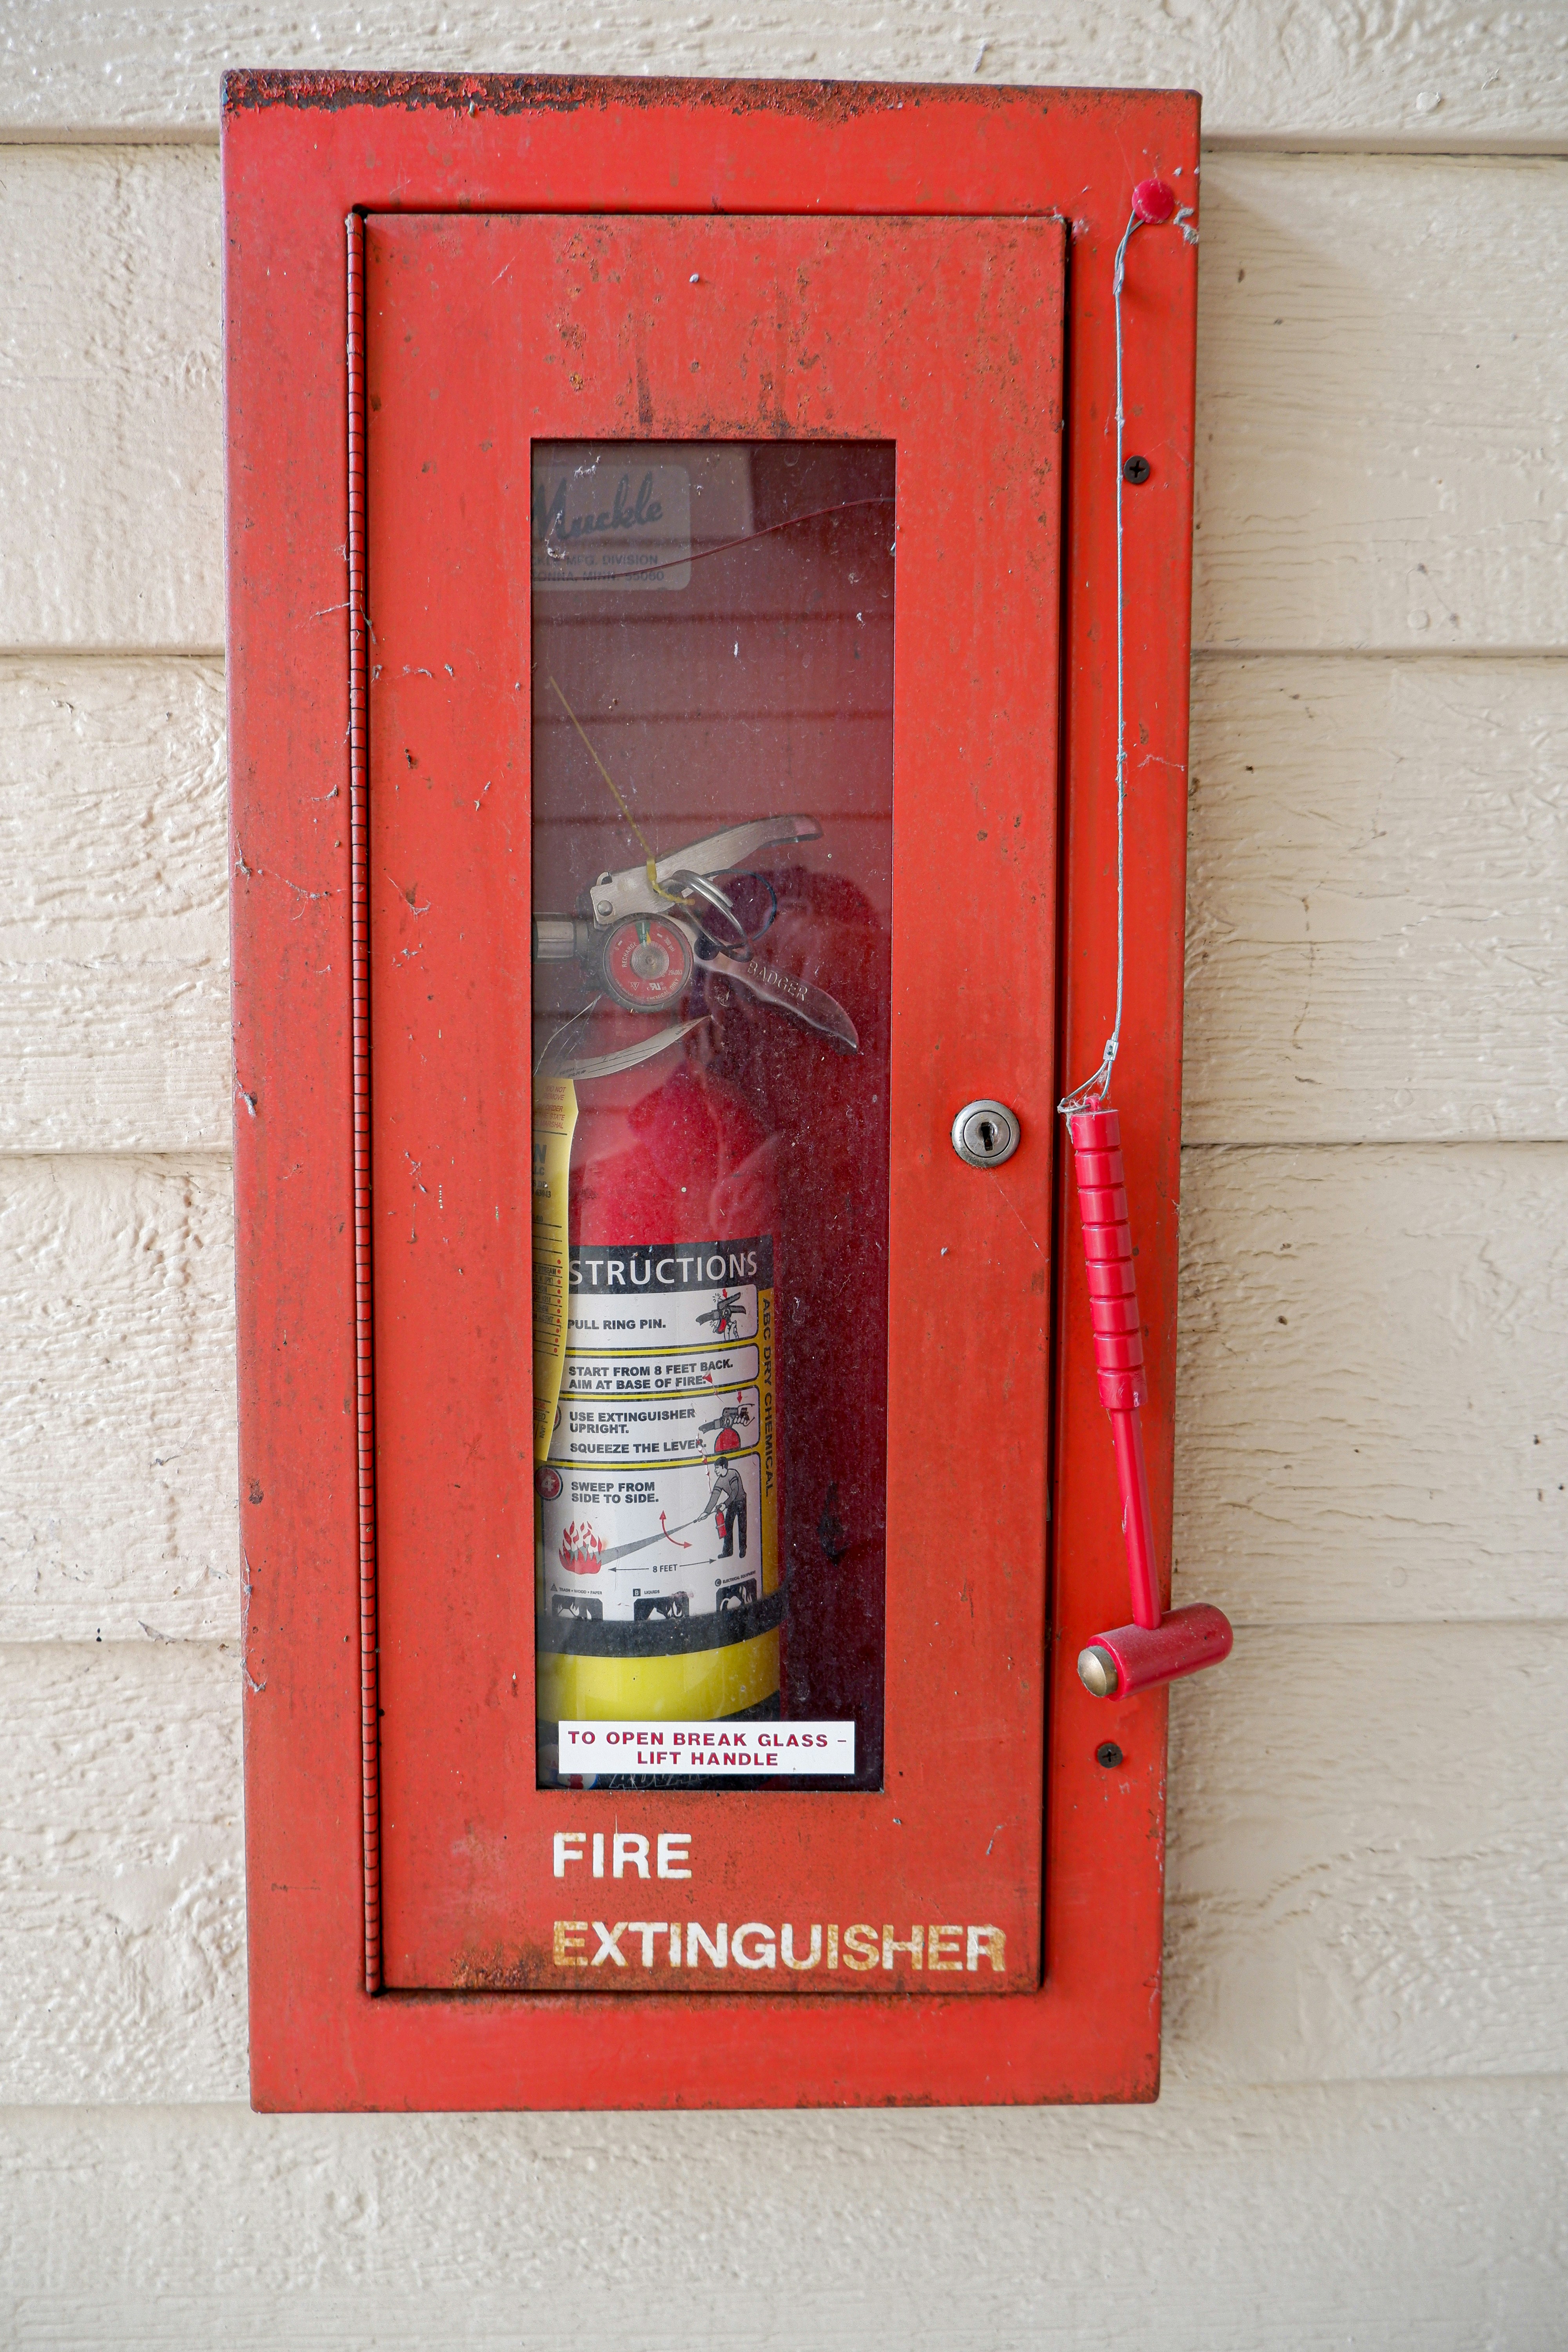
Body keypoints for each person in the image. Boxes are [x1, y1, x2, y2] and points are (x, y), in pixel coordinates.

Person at [701, 1458, 747, 1558]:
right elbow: (714, 1497)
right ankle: (728, 1551)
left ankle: (743, 1549)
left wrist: (725, 1505)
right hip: (731, 1503)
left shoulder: (733, 1474)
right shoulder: (720, 1481)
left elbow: (735, 1492)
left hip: (741, 1501)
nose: (715, 1471)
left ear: (723, 1467)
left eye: (717, 1468)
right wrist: (706, 1512)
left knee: (742, 1526)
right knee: (727, 1526)